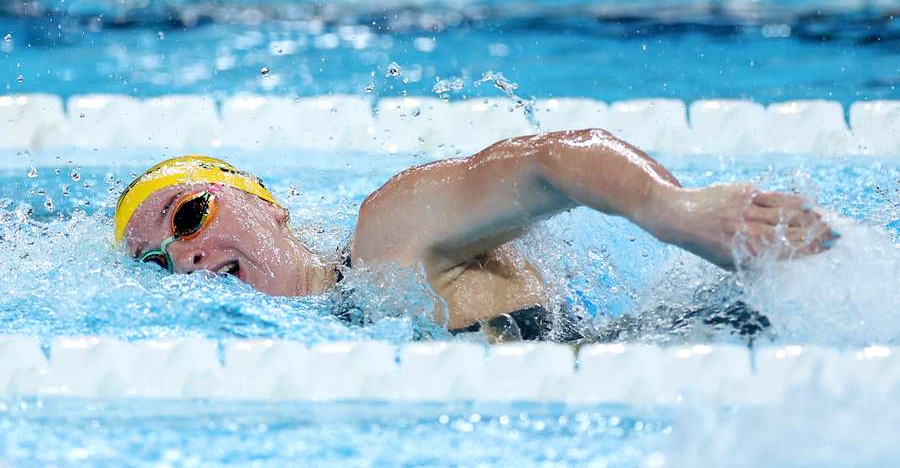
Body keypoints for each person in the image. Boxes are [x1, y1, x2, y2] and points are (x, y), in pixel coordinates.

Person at [114, 128, 837, 342]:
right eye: (157, 263)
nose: (184, 256)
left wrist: (675, 212)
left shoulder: (388, 240)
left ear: (268, 206)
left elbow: (555, 160)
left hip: (732, 333)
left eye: (187, 216)